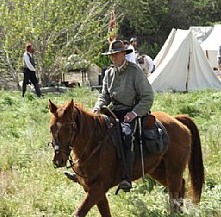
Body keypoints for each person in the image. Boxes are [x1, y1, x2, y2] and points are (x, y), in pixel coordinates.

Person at [65, 40, 154, 192]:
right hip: (112, 111)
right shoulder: (109, 73)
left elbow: (148, 96)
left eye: (117, 54)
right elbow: (104, 96)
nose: (114, 58)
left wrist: (133, 113)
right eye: (111, 55)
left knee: (126, 135)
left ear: (123, 55)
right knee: (90, 132)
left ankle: (126, 176)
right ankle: (82, 171)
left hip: (131, 111)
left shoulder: (135, 71)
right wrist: (96, 109)